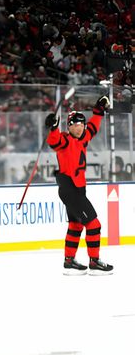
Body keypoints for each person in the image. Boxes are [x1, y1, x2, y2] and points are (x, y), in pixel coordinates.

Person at [45, 96, 113, 275]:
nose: (80, 126)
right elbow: (54, 141)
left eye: (81, 123)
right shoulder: (65, 140)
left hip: (77, 189)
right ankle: (94, 262)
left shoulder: (84, 138)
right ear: (69, 126)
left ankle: (69, 261)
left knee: (76, 225)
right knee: (94, 224)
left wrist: (99, 109)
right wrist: (53, 127)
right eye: (75, 124)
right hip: (70, 189)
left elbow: (94, 126)